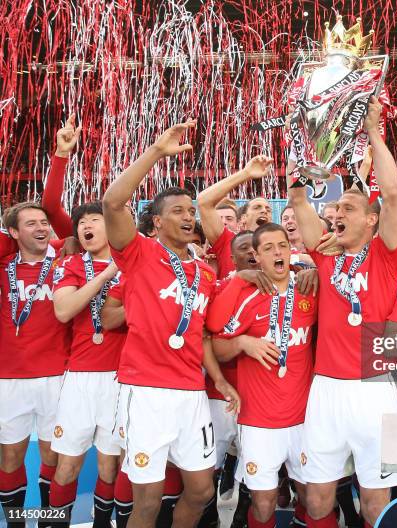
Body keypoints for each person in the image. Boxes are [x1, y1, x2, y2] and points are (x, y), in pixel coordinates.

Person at [102, 119, 239, 528]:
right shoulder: (140, 254)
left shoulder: (206, 273)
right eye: (176, 211)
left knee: (199, 490)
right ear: (157, 222)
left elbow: (201, 335)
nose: (186, 216)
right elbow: (112, 203)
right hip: (145, 391)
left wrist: (221, 380)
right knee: (146, 501)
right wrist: (156, 153)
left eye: (189, 211)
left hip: (191, 392)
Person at [288, 96, 397, 528]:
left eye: (348, 209)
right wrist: (303, 153)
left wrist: (374, 131)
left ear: (371, 221)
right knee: (318, 499)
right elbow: (301, 203)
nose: (337, 213)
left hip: (373, 390)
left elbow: (392, 195)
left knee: (376, 502)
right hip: (326, 391)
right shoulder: (324, 255)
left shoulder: (385, 255)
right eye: (336, 209)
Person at [211, 223, 318, 528]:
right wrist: (243, 342)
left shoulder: (309, 288)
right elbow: (215, 343)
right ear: (256, 256)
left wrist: (318, 272)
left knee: (313, 497)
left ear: (290, 249)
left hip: (303, 418)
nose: (277, 252)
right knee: (263, 502)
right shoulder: (247, 295)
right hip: (259, 420)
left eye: (282, 245)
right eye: (268, 248)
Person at [49, 201, 124, 526]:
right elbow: (64, 310)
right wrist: (108, 272)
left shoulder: (134, 262)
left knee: (110, 466)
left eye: (95, 220)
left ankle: (102, 522)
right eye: (81, 223)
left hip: (121, 378)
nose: (86, 226)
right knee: (67, 465)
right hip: (80, 377)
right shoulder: (71, 265)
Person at [0, 203, 71, 526]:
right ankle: (15, 523)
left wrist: (59, 156)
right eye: (31, 224)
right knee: (10, 457)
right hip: (9, 377)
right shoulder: (3, 264)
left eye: (44, 222)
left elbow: (61, 218)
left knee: (52, 456)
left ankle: (46, 521)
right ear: (13, 233)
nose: (42, 228)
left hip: (56, 376)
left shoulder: (63, 259)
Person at [197, 157, 274, 279]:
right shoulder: (228, 241)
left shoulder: (280, 247)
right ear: (243, 219)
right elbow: (203, 202)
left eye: (268, 209)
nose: (264, 211)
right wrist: (246, 174)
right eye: (257, 207)